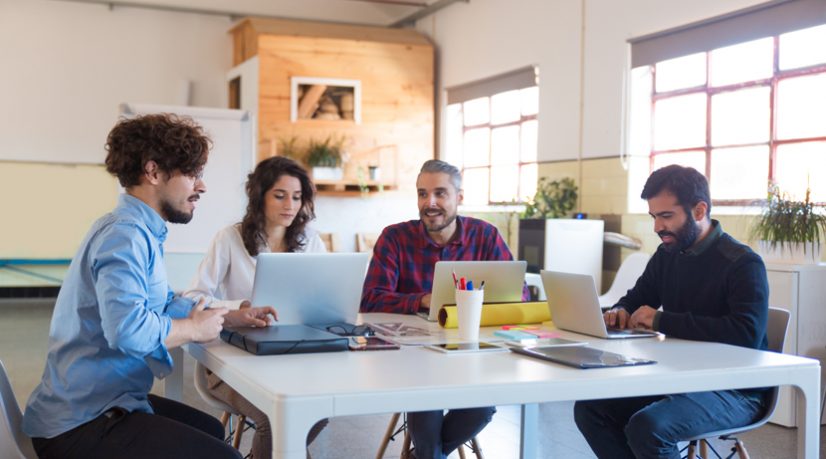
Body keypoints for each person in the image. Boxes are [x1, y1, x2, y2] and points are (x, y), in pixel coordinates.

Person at [22, 114, 276, 459]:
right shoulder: (124, 236)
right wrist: (191, 328)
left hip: (105, 401)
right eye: (192, 174)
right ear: (153, 172)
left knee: (213, 430)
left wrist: (229, 317)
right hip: (80, 423)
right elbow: (128, 331)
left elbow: (161, 302)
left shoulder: (136, 229)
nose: (201, 187)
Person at [573, 165, 770, 459]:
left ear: (699, 210)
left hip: (736, 389)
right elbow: (636, 298)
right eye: (654, 216)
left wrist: (662, 320)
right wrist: (619, 311)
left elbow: (745, 335)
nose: (657, 227)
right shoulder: (667, 254)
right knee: (590, 409)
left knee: (649, 427)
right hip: (679, 377)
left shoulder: (743, 263)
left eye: (666, 216)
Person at [361, 159, 528, 459]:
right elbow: (371, 298)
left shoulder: (485, 236)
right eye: (422, 194)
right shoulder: (395, 238)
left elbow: (520, 296)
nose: (430, 203)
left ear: (459, 198)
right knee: (426, 406)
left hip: (470, 356)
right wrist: (421, 300)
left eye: (440, 193)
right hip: (413, 359)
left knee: (483, 407)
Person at [183, 156, 327, 458]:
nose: (290, 204)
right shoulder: (230, 238)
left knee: (319, 410)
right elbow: (193, 297)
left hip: (294, 357)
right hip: (232, 358)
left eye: (297, 197)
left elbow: (324, 298)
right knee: (273, 421)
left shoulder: (311, 242)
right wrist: (239, 307)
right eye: (280, 195)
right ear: (259, 196)